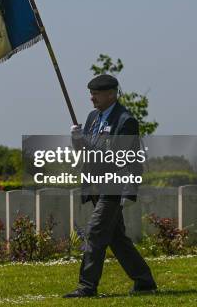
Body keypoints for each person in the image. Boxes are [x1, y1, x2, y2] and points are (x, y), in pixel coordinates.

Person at [63, 74, 157, 298]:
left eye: (95, 94)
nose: (91, 98)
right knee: (116, 238)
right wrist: (77, 140)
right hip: (95, 186)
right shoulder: (93, 117)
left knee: (95, 233)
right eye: (91, 93)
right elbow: (85, 154)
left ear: (111, 94)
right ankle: (144, 281)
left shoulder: (125, 121)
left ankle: (87, 287)